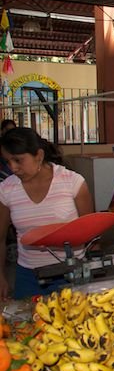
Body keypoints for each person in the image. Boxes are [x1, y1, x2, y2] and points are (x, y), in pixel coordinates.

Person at [0, 128, 93, 299]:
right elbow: (1, 237)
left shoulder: (72, 182)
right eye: (7, 161)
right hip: (28, 277)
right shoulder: (6, 189)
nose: (13, 168)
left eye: (18, 160)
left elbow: (90, 231)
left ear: (39, 155)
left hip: (70, 273)